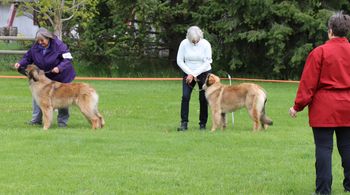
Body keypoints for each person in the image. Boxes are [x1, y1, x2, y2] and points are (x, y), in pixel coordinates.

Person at [289, 11, 350, 195]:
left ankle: (323, 190)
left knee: (323, 149)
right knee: (348, 148)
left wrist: (297, 106)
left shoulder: (319, 52)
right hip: (348, 107)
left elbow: (308, 84)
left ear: (330, 30)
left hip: (324, 108)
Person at [14, 27, 76, 128]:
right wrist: (20, 63)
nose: (40, 42)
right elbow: (27, 58)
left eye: (42, 40)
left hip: (62, 75)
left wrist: (59, 67)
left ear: (48, 38)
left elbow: (68, 59)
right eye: (38, 41)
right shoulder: (35, 47)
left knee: (63, 99)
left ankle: (62, 122)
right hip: (46, 76)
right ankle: (36, 120)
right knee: (39, 96)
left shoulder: (59, 45)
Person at [176, 26, 212, 131]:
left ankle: (203, 124)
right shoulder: (183, 43)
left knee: (203, 98)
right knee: (185, 96)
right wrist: (190, 74)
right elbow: (179, 61)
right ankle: (184, 123)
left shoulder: (206, 44)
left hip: (204, 72)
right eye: (192, 41)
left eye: (196, 41)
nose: (194, 43)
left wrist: (194, 74)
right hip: (188, 73)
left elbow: (207, 63)